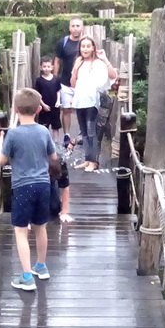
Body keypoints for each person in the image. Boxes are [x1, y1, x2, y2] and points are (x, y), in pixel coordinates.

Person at [0, 88, 59, 292]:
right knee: (40, 226)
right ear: (38, 110)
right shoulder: (44, 131)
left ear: (16, 109)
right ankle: (41, 266)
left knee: (20, 231)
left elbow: (0, 161)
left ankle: (27, 276)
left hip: (23, 187)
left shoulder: (14, 134)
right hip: (43, 185)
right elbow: (53, 157)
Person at [34, 56, 74, 222]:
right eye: (44, 66)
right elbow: (37, 94)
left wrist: (58, 102)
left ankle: (55, 145)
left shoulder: (56, 79)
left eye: (49, 66)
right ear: (41, 67)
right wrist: (42, 105)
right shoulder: (38, 80)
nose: (47, 68)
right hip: (44, 106)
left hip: (54, 106)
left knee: (55, 126)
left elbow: (58, 91)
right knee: (44, 126)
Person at [70, 36, 118, 173]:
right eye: (82, 46)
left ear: (93, 48)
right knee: (84, 132)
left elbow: (113, 75)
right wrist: (75, 68)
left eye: (88, 46)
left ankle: (94, 161)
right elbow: (73, 83)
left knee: (92, 131)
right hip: (80, 101)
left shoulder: (98, 63)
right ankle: (87, 159)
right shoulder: (78, 62)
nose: (85, 49)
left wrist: (105, 59)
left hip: (93, 101)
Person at [53, 16, 84, 149]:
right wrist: (55, 79)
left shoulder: (85, 42)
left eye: (78, 26)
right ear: (69, 27)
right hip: (65, 82)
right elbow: (57, 60)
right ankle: (66, 135)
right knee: (66, 110)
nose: (75, 28)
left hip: (83, 83)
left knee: (83, 109)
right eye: (73, 26)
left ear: (82, 27)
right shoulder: (63, 42)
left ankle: (83, 135)